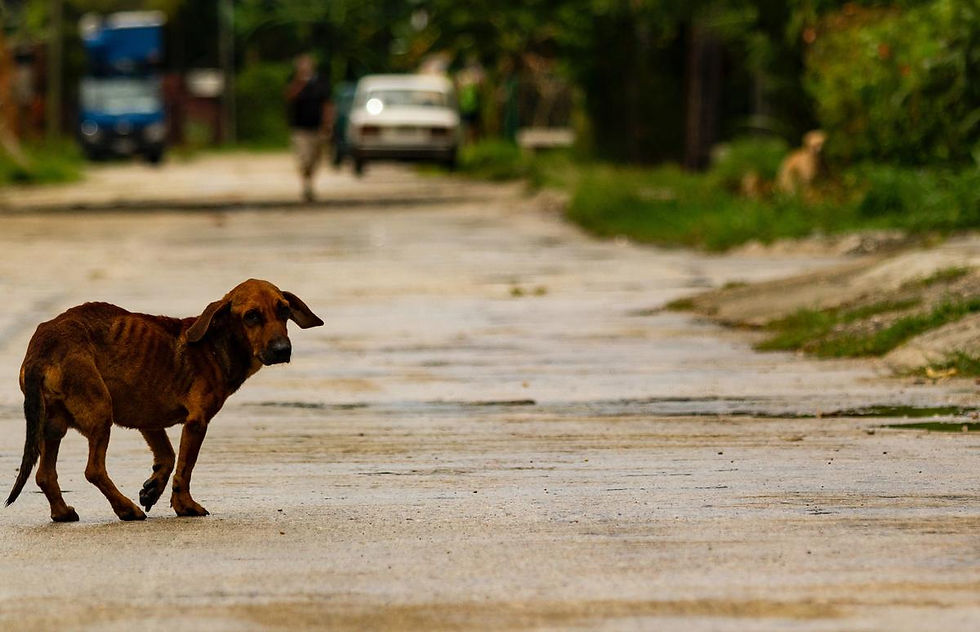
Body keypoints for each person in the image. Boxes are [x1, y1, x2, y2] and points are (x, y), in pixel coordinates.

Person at [285, 54, 334, 201]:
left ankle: (309, 181)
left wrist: (328, 123)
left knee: (315, 158)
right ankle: (307, 184)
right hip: (300, 128)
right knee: (303, 158)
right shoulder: (294, 81)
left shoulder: (321, 82)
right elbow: (289, 97)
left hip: (317, 127)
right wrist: (300, 82)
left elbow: (327, 103)